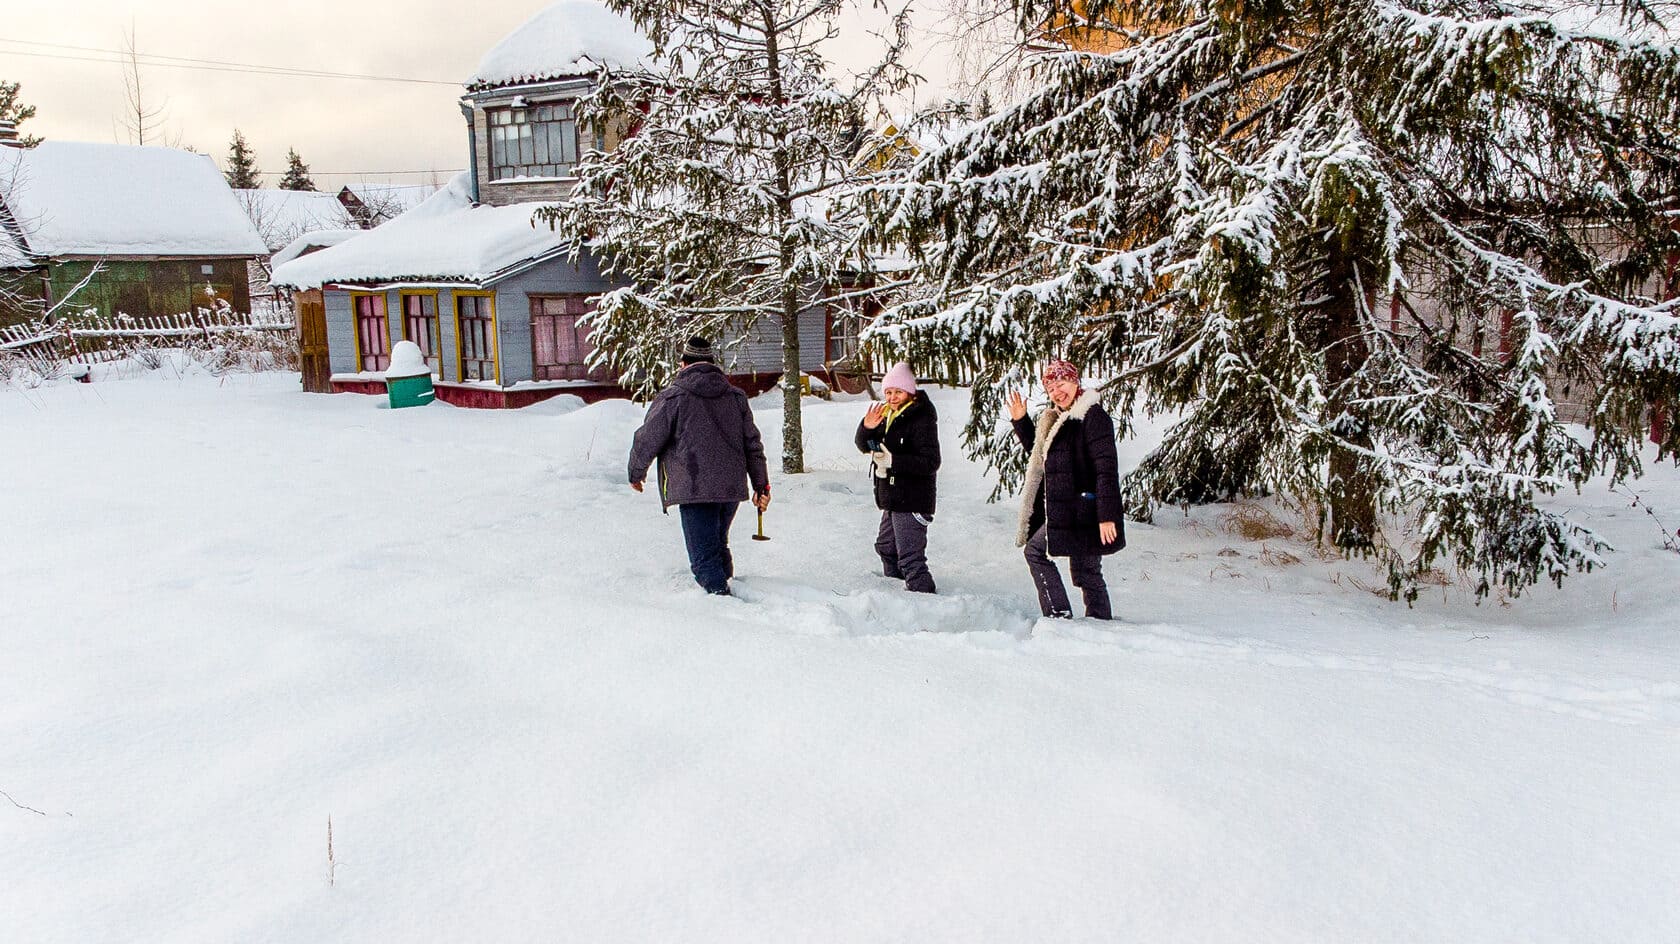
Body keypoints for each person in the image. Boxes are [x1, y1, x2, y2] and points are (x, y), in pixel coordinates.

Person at [628, 336, 771, 596]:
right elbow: (753, 443)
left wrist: (636, 473)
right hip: (729, 487)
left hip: (693, 487)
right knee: (717, 544)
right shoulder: (736, 397)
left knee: (703, 556)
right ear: (712, 363)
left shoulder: (673, 397)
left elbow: (647, 437)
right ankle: (730, 590)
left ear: (683, 364)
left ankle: (723, 605)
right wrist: (761, 484)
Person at [1008, 359, 1125, 619]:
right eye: (1051, 389)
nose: (1057, 392)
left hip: (1085, 510)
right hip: (1070, 510)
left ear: (1075, 382)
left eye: (1061, 384)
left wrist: (1106, 516)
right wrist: (1021, 422)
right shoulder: (1059, 418)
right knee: (1087, 572)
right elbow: (1046, 458)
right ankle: (1099, 622)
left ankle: (1059, 617)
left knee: (1037, 553)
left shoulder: (1092, 416)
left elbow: (1106, 470)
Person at [855, 362, 941, 593]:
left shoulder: (921, 418)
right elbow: (864, 444)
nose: (892, 397)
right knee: (886, 547)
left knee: (910, 558)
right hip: (892, 497)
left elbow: (931, 462)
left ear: (910, 392)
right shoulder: (887, 414)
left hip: (913, 498)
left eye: (898, 392)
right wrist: (867, 428)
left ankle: (923, 598)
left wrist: (894, 461)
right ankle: (896, 594)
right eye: (888, 392)